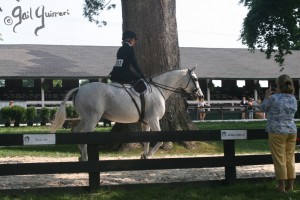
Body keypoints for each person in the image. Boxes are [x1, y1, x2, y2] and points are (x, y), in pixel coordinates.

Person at [260, 74, 298, 192]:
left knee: (279, 159)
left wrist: (266, 96)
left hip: (276, 130)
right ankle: (290, 186)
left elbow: (263, 108)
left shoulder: (274, 98)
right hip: (291, 130)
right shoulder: (293, 98)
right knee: (290, 158)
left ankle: (281, 186)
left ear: (278, 86)